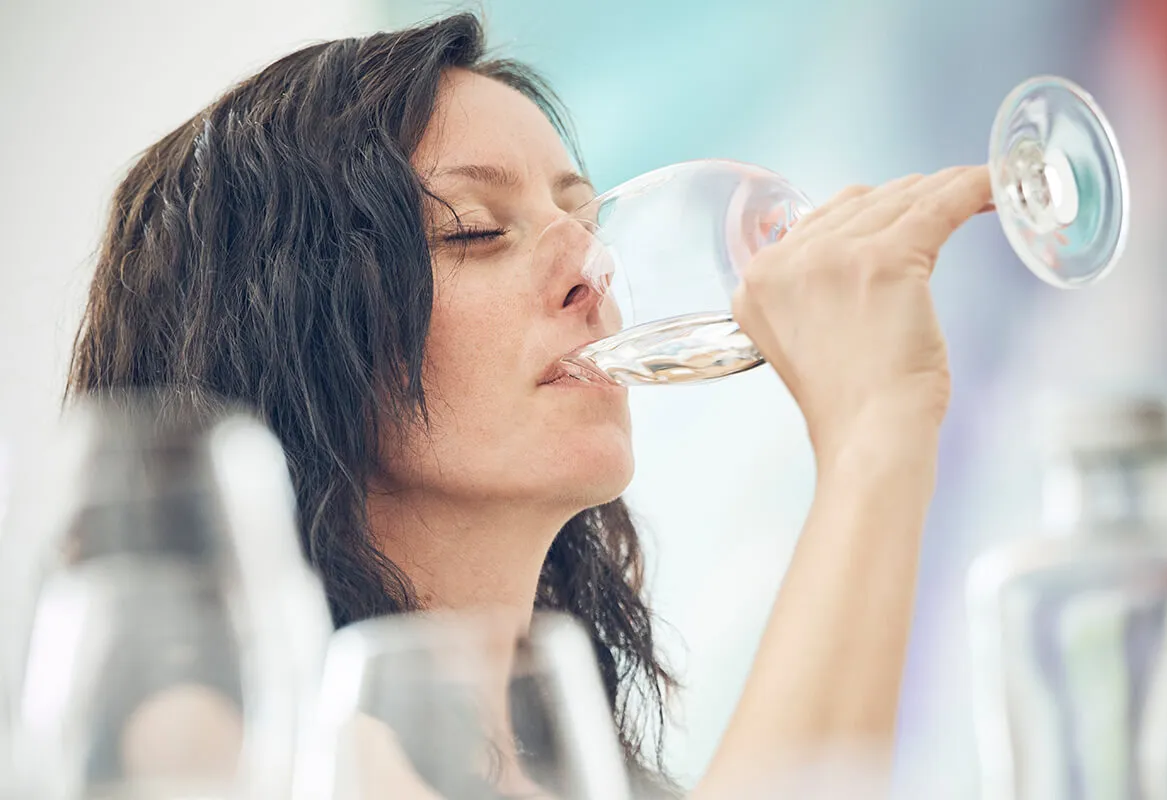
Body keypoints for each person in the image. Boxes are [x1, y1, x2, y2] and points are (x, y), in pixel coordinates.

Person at [65, 12, 992, 798]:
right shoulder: (231, 744)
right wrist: (875, 432)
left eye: (585, 223)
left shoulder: (601, 773)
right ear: (284, 333)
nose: (593, 270)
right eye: (474, 231)